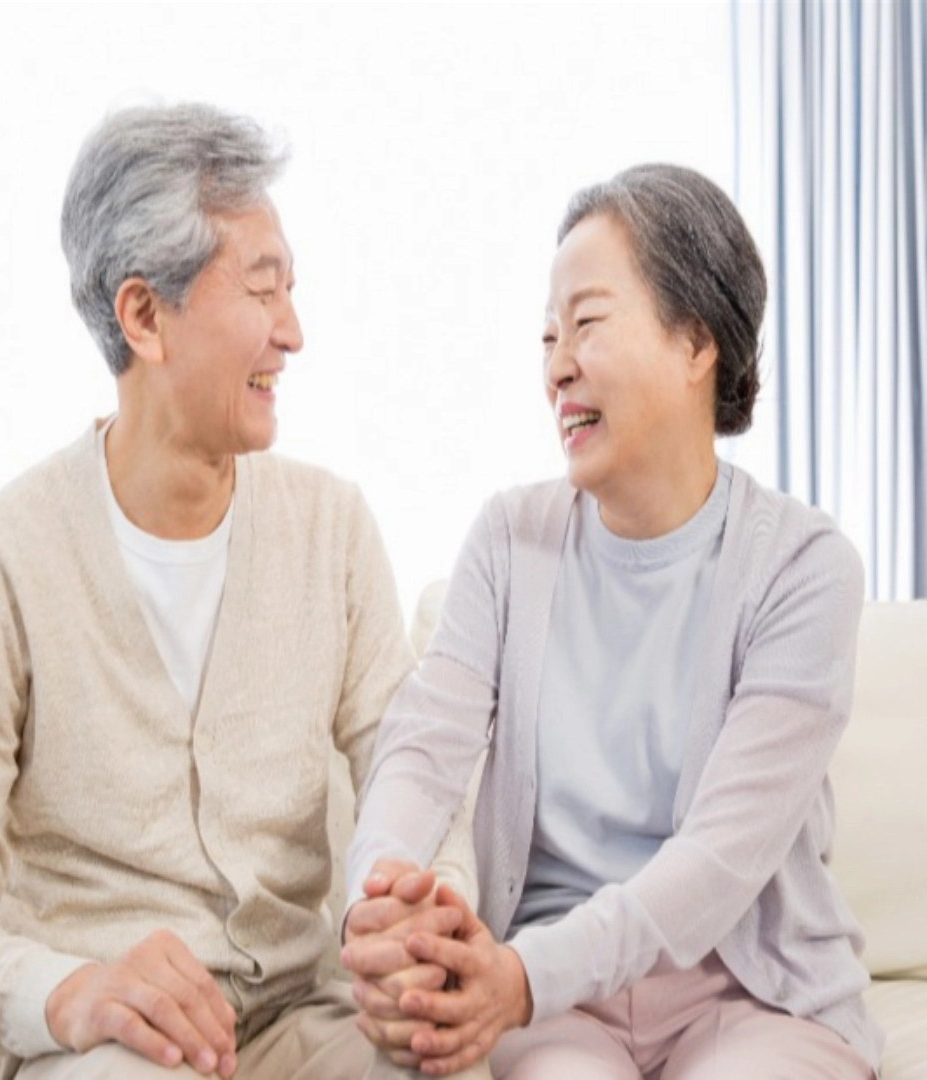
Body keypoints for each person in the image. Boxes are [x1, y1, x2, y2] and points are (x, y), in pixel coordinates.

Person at [0, 102, 482, 1080]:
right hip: (113, 1042)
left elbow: (412, 776)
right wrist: (71, 992)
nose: (293, 332)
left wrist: (421, 907)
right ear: (144, 317)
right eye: (263, 289)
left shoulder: (332, 529)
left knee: (445, 1062)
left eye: (291, 290)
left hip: (299, 1021)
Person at [342, 164, 884, 1079]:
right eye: (548, 336)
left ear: (696, 341)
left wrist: (520, 978)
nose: (557, 364)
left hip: (750, 998)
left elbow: (718, 860)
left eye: (587, 323)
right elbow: (421, 750)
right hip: (561, 1008)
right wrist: (380, 899)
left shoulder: (803, 567)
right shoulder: (508, 539)